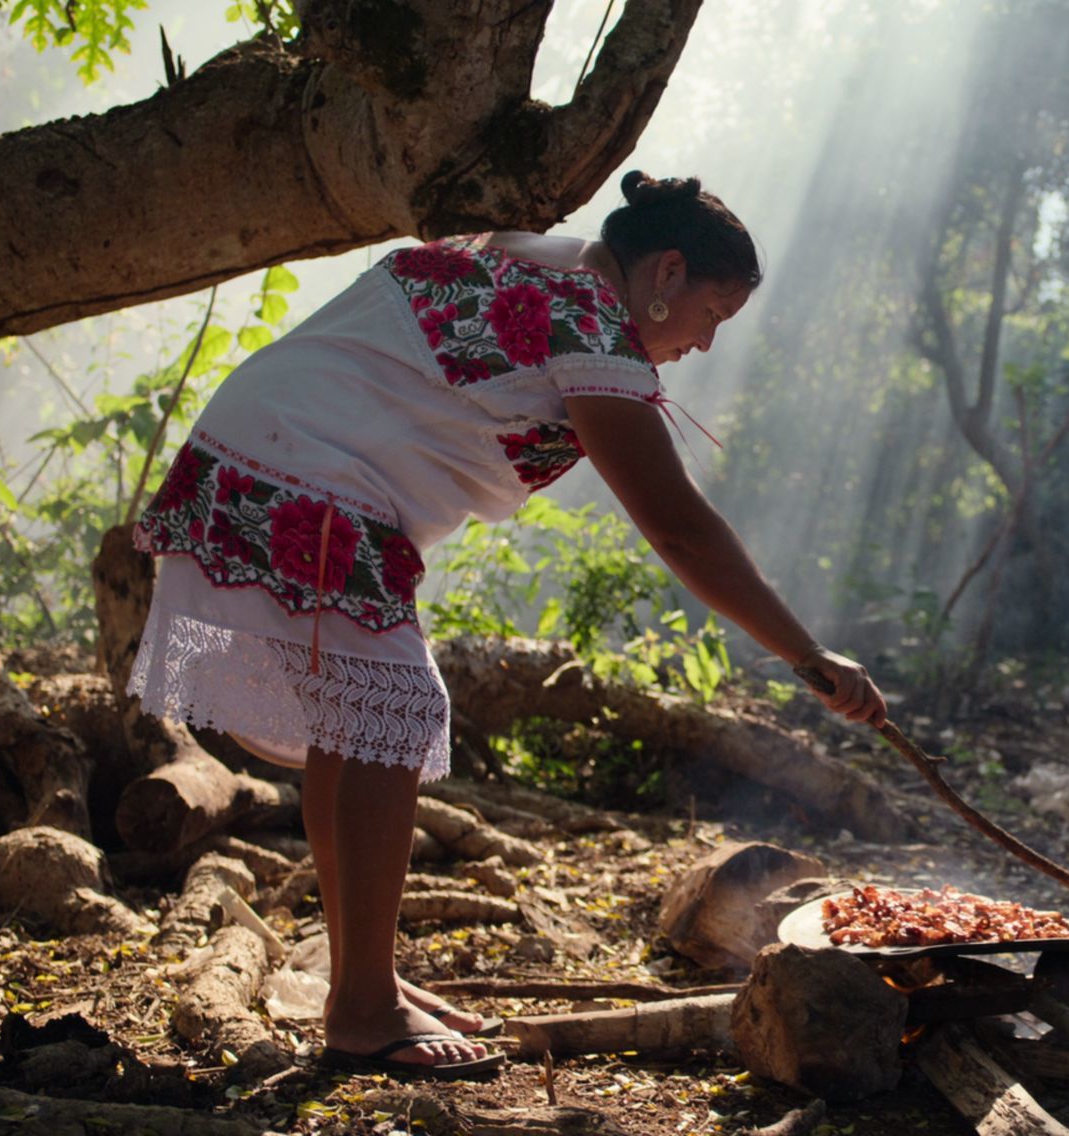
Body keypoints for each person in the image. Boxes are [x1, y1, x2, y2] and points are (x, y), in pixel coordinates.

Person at [127, 171, 887, 1079]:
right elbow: (678, 527)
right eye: (711, 315)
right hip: (305, 478)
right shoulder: (590, 326)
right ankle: (363, 1009)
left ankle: (364, 983)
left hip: (257, 452)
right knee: (391, 712)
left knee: (365, 717)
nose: (702, 344)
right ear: (668, 271)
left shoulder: (530, 250)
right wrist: (805, 652)